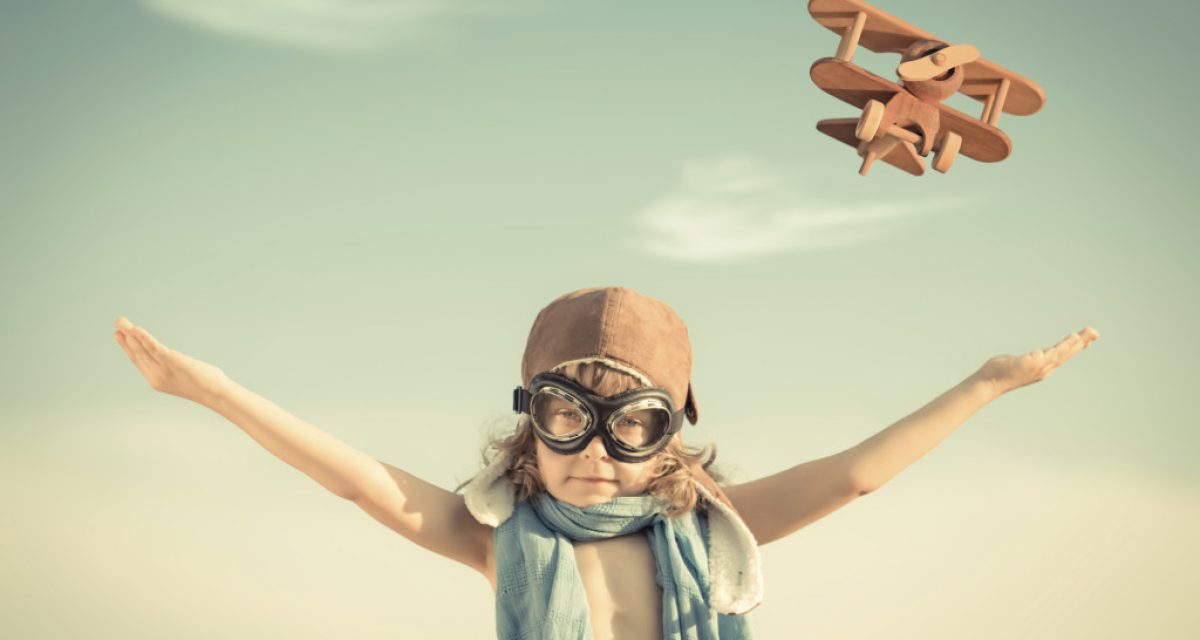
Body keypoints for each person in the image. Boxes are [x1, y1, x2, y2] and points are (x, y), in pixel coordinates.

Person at [112, 285, 1100, 640]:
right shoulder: (498, 535)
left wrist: (986, 384)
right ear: (527, 425)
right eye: (562, 416)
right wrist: (212, 390)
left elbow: (854, 476)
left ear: (669, 434)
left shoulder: (708, 527)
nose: (591, 452)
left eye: (629, 425)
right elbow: (355, 477)